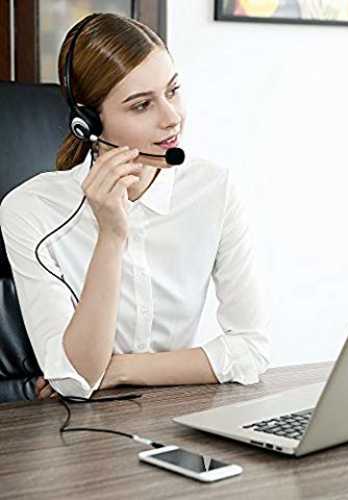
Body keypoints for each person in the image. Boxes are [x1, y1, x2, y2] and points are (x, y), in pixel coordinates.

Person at [0, 13, 270, 400]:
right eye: (142, 105)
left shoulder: (213, 189)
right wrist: (111, 235)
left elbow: (251, 349)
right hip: (74, 427)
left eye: (172, 91)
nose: (171, 117)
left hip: (173, 412)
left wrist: (121, 369)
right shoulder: (31, 210)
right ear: (87, 123)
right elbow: (76, 379)